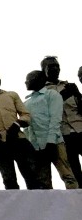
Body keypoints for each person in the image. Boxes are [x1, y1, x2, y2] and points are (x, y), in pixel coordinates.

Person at [0, 69, 38, 190]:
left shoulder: (11, 95)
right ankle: (15, 202)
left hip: (18, 140)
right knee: (9, 179)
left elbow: (26, 115)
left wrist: (17, 124)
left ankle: (37, 200)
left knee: (31, 175)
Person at [40, 56, 82, 188]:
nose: (55, 69)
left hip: (80, 128)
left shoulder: (69, 85)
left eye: (57, 66)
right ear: (43, 70)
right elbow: (47, 112)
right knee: (74, 169)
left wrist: (78, 94)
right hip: (63, 134)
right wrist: (63, 95)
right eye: (51, 66)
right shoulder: (42, 91)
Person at [23, 70, 62, 189]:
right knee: (43, 182)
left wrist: (51, 141)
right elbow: (28, 128)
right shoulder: (27, 103)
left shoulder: (51, 95)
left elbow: (55, 119)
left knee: (67, 175)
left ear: (39, 80)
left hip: (55, 142)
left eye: (28, 79)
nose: (26, 82)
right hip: (37, 147)